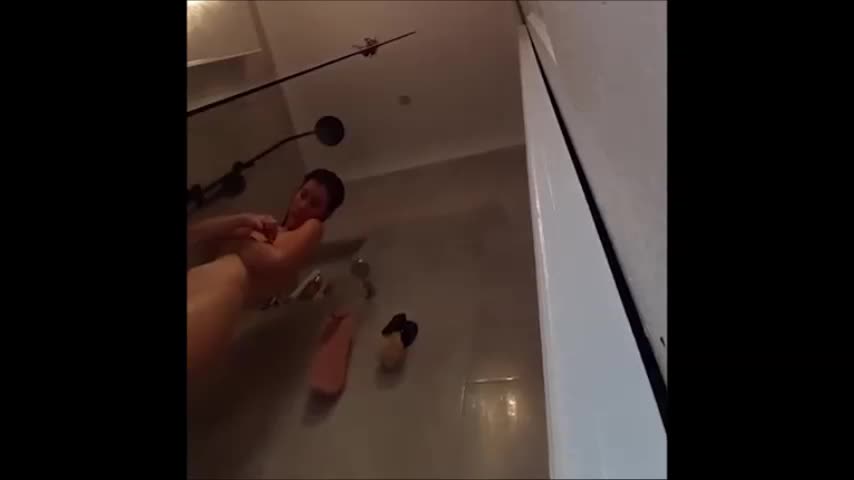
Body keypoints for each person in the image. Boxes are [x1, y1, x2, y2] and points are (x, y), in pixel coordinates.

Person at [187, 169, 345, 373]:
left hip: (215, 299)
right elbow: (194, 234)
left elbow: (276, 261)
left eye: (314, 204)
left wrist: (239, 242)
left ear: (324, 215)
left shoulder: (313, 227)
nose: (303, 205)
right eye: (303, 195)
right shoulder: (259, 229)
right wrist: (243, 219)